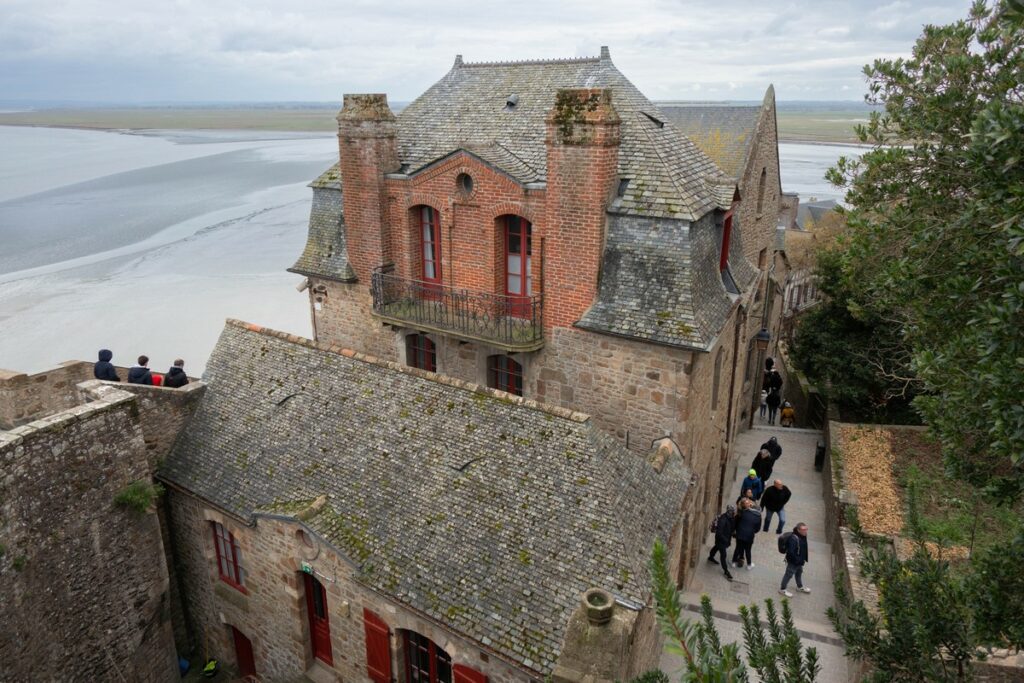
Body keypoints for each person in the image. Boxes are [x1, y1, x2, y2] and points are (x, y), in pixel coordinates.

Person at [779, 523, 811, 597]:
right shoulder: (793, 539)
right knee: (788, 575)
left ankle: (799, 587)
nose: (805, 531)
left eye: (806, 529)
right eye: (803, 530)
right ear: (798, 530)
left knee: (799, 572)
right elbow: (790, 552)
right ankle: (782, 589)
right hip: (794, 561)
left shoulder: (803, 535)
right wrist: (797, 560)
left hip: (799, 561)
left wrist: (802, 559)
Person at [707, 505, 736, 581]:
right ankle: (726, 571)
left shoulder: (730, 518)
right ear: (730, 512)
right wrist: (726, 540)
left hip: (723, 540)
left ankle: (710, 557)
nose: (734, 513)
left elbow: (730, 528)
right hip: (721, 540)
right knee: (723, 555)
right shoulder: (723, 519)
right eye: (733, 512)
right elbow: (719, 533)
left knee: (716, 547)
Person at [732, 499, 762, 569]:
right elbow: (757, 529)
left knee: (738, 548)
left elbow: (736, 523)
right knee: (748, 550)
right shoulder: (757, 516)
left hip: (740, 534)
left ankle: (733, 562)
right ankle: (749, 565)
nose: (750, 504)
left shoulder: (742, 513)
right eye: (748, 503)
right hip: (749, 536)